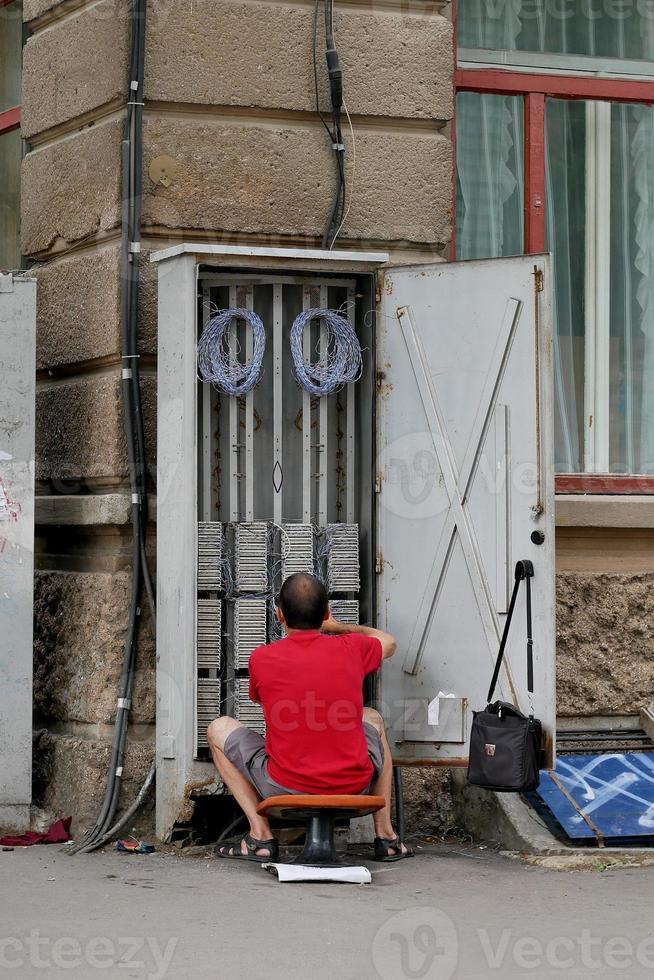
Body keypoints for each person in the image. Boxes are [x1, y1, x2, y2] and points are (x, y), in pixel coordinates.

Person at [207, 572, 413, 863]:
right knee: (373, 718)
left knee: (219, 728)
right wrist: (339, 627)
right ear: (326, 613)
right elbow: (388, 642)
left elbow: (258, 699)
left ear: (279, 614)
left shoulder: (261, 658)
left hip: (283, 785)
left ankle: (261, 838)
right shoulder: (352, 648)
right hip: (355, 785)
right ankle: (386, 837)